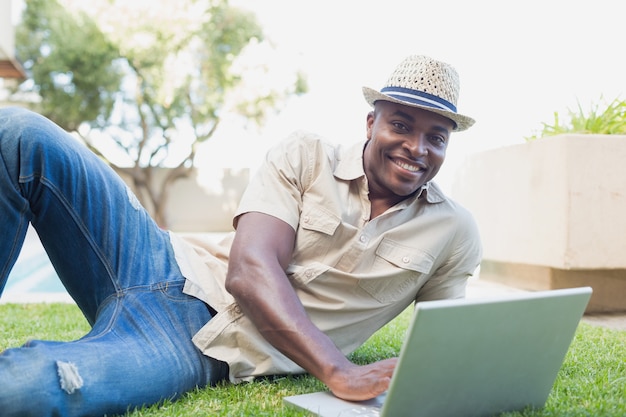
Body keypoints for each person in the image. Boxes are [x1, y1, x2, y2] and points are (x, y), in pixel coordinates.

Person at [0, 54, 481, 416]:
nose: (416, 148)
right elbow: (250, 271)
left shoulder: (452, 231)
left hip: (192, 342)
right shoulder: (305, 155)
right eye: (401, 124)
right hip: (158, 259)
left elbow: (445, 340)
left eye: (436, 136)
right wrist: (338, 369)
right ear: (372, 122)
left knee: (28, 389)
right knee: (20, 132)